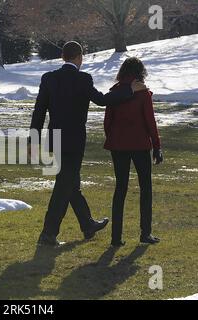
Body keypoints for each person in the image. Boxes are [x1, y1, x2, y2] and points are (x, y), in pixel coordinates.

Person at [30, 41, 148, 247]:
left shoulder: (48, 78)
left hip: (56, 138)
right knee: (64, 185)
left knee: (71, 184)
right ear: (79, 58)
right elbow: (102, 100)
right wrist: (129, 89)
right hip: (74, 140)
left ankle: (87, 224)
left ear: (63, 57)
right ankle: (47, 234)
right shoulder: (83, 78)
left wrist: (33, 139)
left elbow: (39, 111)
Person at [104, 57, 163, 247]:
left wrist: (113, 139)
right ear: (140, 72)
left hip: (118, 145)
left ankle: (116, 237)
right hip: (140, 145)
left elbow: (108, 123)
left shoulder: (114, 93)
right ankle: (145, 233)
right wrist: (157, 146)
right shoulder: (143, 94)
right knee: (145, 188)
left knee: (120, 189)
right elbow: (150, 122)